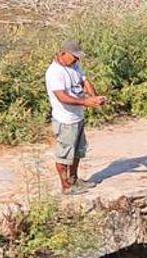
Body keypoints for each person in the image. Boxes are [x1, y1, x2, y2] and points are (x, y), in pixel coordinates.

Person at [45, 39, 106, 194]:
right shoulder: (54, 72)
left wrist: (95, 98)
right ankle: (66, 186)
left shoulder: (75, 66)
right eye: (74, 56)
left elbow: (85, 82)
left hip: (77, 117)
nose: (77, 60)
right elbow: (63, 97)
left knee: (78, 152)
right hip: (65, 120)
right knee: (64, 155)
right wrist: (86, 102)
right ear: (63, 53)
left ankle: (74, 179)